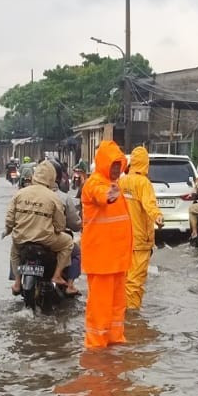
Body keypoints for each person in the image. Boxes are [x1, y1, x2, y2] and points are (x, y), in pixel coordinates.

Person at [81, 140, 133, 349]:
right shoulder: (95, 183)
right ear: (103, 164)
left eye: (118, 166)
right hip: (102, 260)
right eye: (112, 165)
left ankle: (115, 341)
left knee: (117, 306)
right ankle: (96, 347)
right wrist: (108, 196)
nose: (116, 169)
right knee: (100, 308)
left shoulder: (116, 185)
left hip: (117, 260)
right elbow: (100, 194)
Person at [4, 160, 73, 294]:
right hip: (46, 239)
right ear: (52, 178)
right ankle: (57, 275)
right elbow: (60, 225)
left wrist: (8, 230)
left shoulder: (20, 193)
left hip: (21, 238)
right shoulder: (53, 197)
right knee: (68, 243)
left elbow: (9, 219)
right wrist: (57, 230)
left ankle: (17, 283)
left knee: (14, 251)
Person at [120, 146, 164, 310]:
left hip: (122, 239)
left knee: (124, 279)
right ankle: (132, 319)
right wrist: (158, 217)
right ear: (146, 163)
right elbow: (150, 205)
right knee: (135, 282)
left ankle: (121, 314)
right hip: (140, 241)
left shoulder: (121, 181)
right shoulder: (143, 183)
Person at [49, 157, 83, 296]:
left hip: (29, 237)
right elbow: (74, 224)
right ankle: (69, 284)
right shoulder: (62, 197)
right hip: (54, 239)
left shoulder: (26, 193)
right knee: (76, 252)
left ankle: (16, 282)